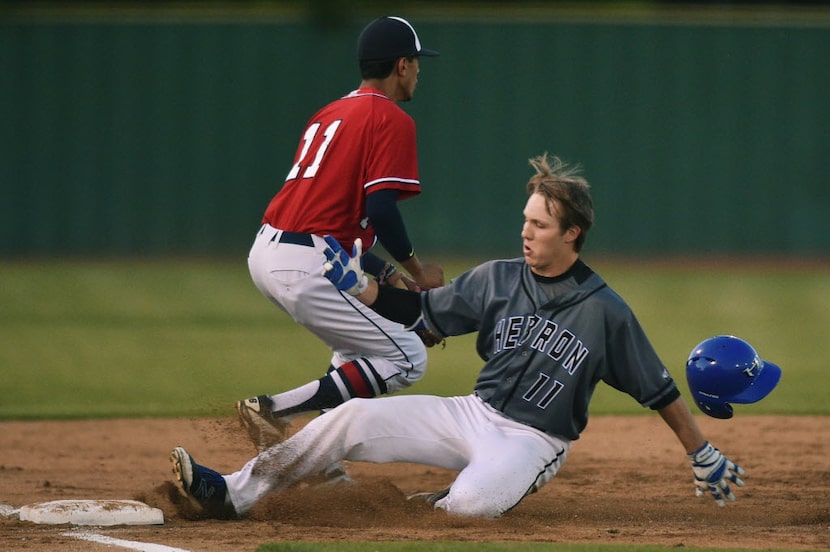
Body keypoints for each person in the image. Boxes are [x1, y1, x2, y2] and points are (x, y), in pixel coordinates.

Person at [171, 152, 745, 519]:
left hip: (533, 441)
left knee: (469, 508)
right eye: (525, 219)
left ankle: (454, 498)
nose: (525, 232)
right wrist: (363, 288)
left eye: (539, 225)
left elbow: (658, 389)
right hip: (472, 413)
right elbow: (419, 316)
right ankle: (234, 493)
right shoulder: (496, 279)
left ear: (572, 233)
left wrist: (702, 452)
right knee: (348, 418)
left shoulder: (605, 312)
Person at [236, 15, 445, 476]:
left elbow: (332, 218)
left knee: (358, 355)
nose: (418, 72)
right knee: (407, 357)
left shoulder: (330, 113)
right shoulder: (390, 117)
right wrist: (415, 271)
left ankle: (320, 465)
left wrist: (387, 275)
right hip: (304, 262)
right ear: (402, 65)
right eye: (416, 63)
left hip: (273, 251)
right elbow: (382, 207)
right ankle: (272, 410)